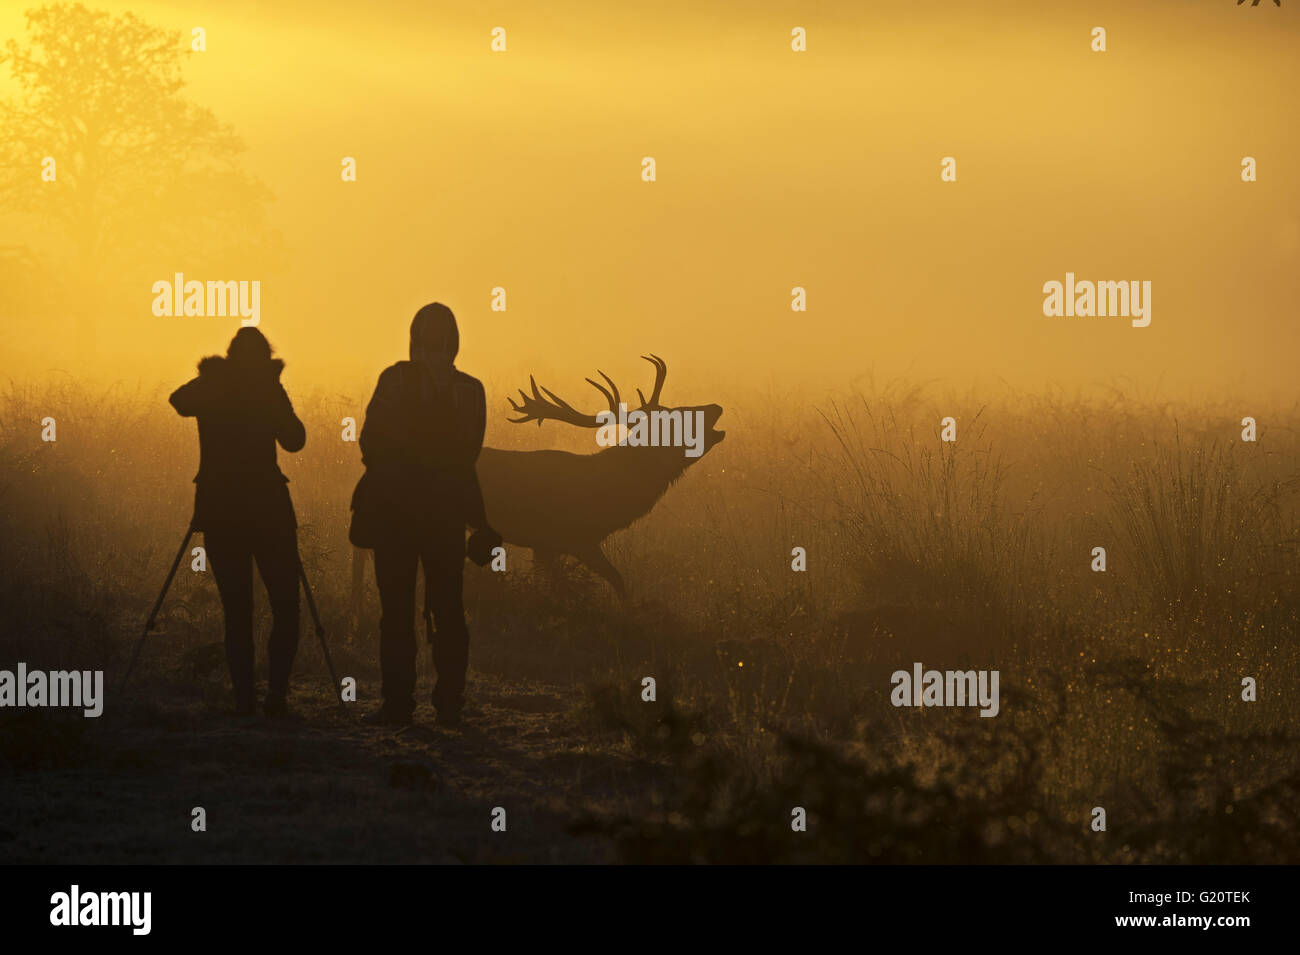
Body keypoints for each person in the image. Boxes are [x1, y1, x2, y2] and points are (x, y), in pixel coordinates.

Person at [350, 303, 499, 726]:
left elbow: (369, 444)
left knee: (396, 611)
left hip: (395, 515)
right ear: (455, 342)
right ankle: (449, 704)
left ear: (413, 339)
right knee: (448, 608)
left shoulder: (393, 380)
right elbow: (470, 453)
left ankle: (397, 705)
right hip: (447, 515)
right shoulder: (471, 391)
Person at [170, 327, 306, 717]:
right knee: (286, 606)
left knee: (238, 610)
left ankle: (244, 700)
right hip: (270, 514)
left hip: (221, 512)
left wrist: (213, 375)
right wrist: (272, 388)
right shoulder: (267, 388)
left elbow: (178, 400)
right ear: (265, 358)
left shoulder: (213, 386)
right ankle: (276, 696)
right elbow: (296, 439)